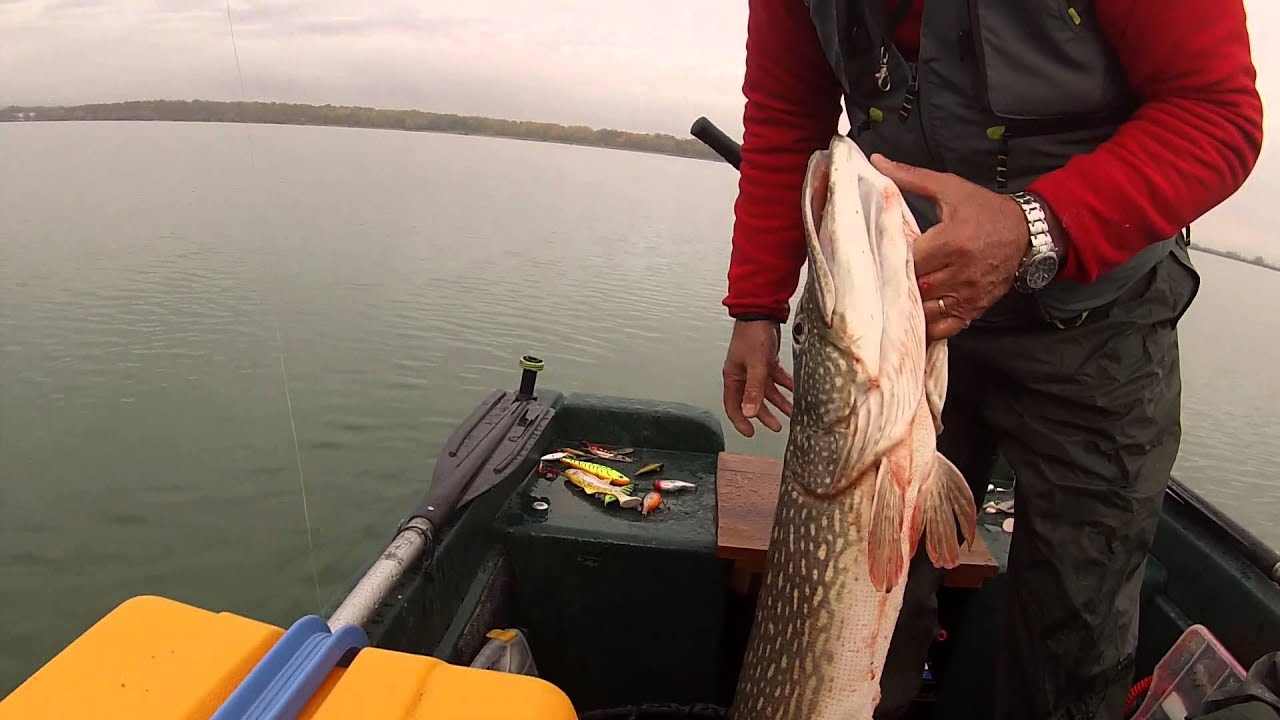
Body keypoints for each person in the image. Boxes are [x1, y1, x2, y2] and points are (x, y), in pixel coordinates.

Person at [719, 0, 1264, 718]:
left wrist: (1033, 226)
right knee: (873, 594)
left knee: (1076, 627)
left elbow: (1216, 114)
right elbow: (788, 114)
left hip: (1097, 325)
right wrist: (757, 302)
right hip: (915, 311)